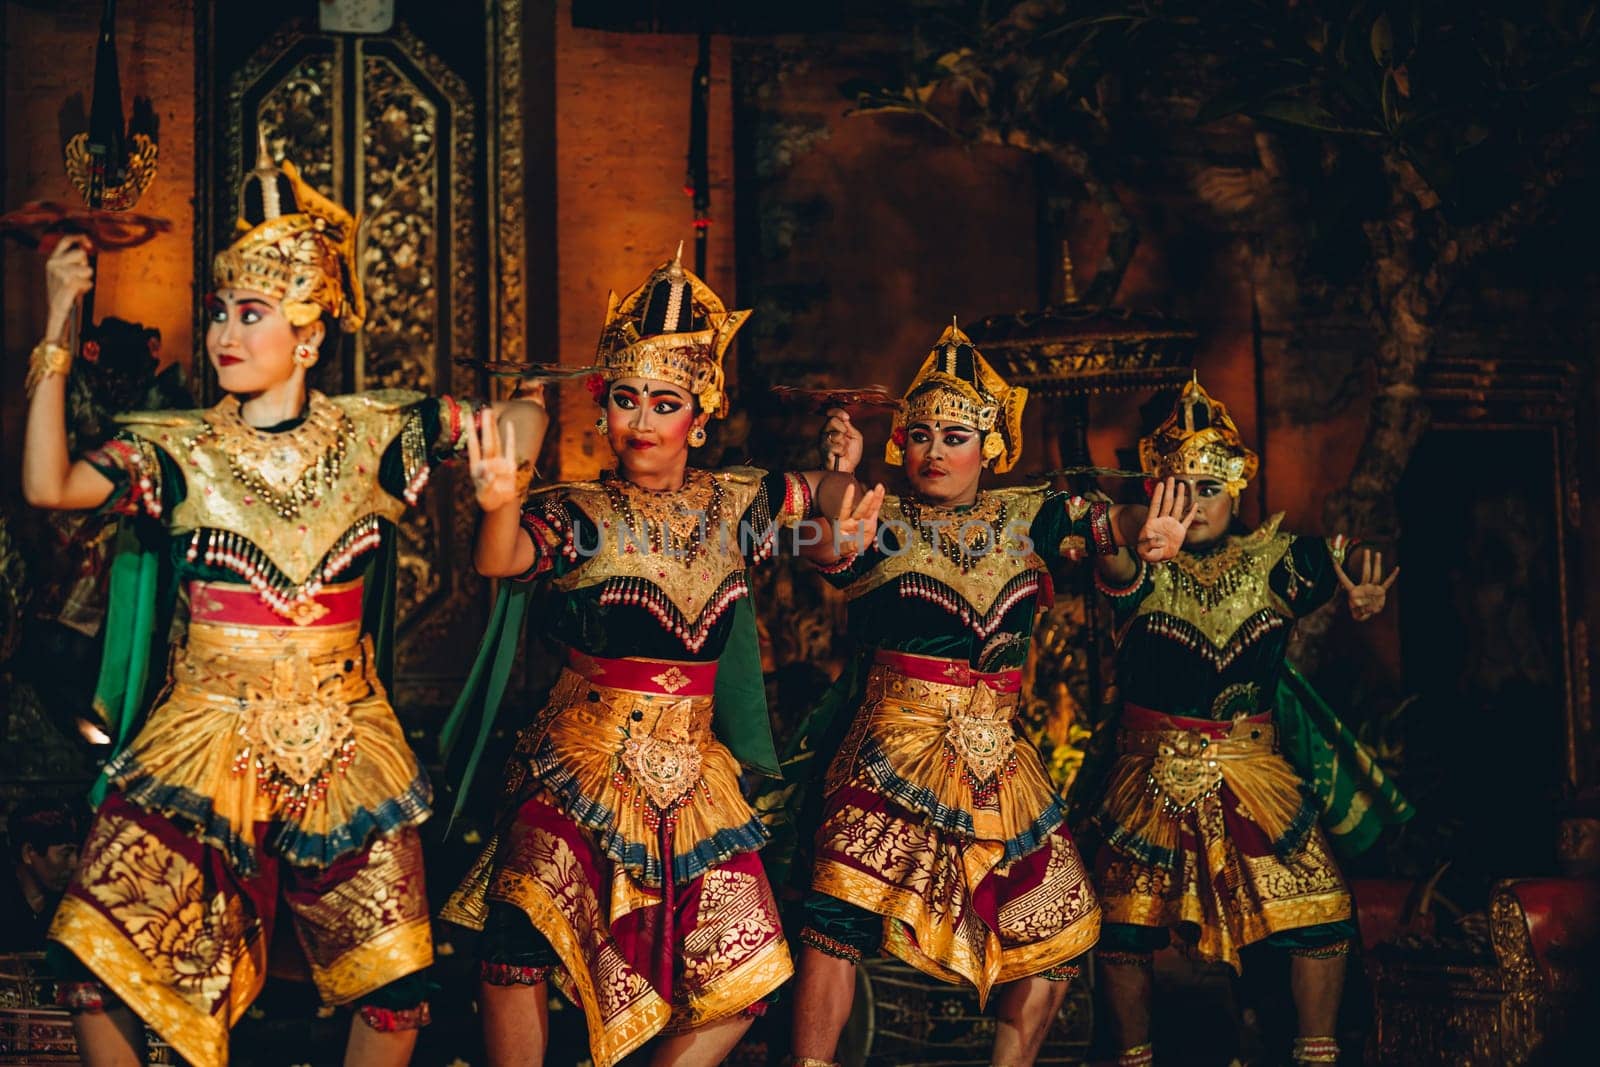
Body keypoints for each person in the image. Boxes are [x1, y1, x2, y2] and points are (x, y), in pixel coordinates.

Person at [23, 145, 543, 1067]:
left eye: (251, 313)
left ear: (307, 336)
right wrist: (59, 319)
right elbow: (50, 484)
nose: (225, 331)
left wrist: (511, 477)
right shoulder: (177, 448)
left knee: (395, 993)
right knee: (93, 968)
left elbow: (516, 421)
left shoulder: (379, 431)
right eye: (221, 310)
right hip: (206, 734)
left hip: (346, 737)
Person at [440, 249, 882, 1067]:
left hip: (695, 773)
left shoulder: (737, 501)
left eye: (666, 402)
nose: (642, 420)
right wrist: (500, 502)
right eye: (626, 399)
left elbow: (818, 495)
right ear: (603, 409)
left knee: (748, 977)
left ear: (700, 419)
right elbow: (499, 561)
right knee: (519, 937)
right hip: (582, 757)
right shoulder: (576, 507)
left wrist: (843, 489)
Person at [787, 323, 1189, 1067]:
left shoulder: (1028, 513)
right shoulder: (882, 519)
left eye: (956, 434)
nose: (934, 451)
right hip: (891, 747)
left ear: (992, 445)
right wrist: (835, 477)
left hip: (999, 761)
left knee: (1060, 927)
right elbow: (823, 544)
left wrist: (1146, 528)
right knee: (836, 914)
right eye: (919, 435)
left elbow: (1111, 523)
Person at [1085, 378, 1400, 1067]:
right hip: (1152, 773)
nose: (1192, 503)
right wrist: (1139, 535)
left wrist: (1363, 593)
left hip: (1253, 773)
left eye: (1207, 486)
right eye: (1175, 486)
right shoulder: (1139, 563)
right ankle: (1134, 1057)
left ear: (1237, 487)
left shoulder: (1280, 562)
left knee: (1318, 911)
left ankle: (1315, 1055)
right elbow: (1107, 561)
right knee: (1125, 927)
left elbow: (1351, 555)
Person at [0, 799, 81, 953]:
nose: (74, 864)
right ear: (28, 853)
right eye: (65, 854)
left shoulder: (70, 905)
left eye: (76, 853)